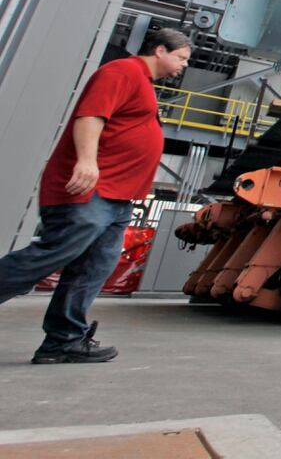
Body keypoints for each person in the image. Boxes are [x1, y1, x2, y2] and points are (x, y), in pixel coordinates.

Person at [0, 28, 191, 363]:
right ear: (160, 50)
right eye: (182, 57)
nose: (184, 65)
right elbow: (91, 115)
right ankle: (63, 339)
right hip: (92, 192)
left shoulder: (142, 83)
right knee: (51, 255)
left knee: (91, 269)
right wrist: (87, 162)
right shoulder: (122, 71)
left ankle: (63, 341)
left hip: (117, 199)